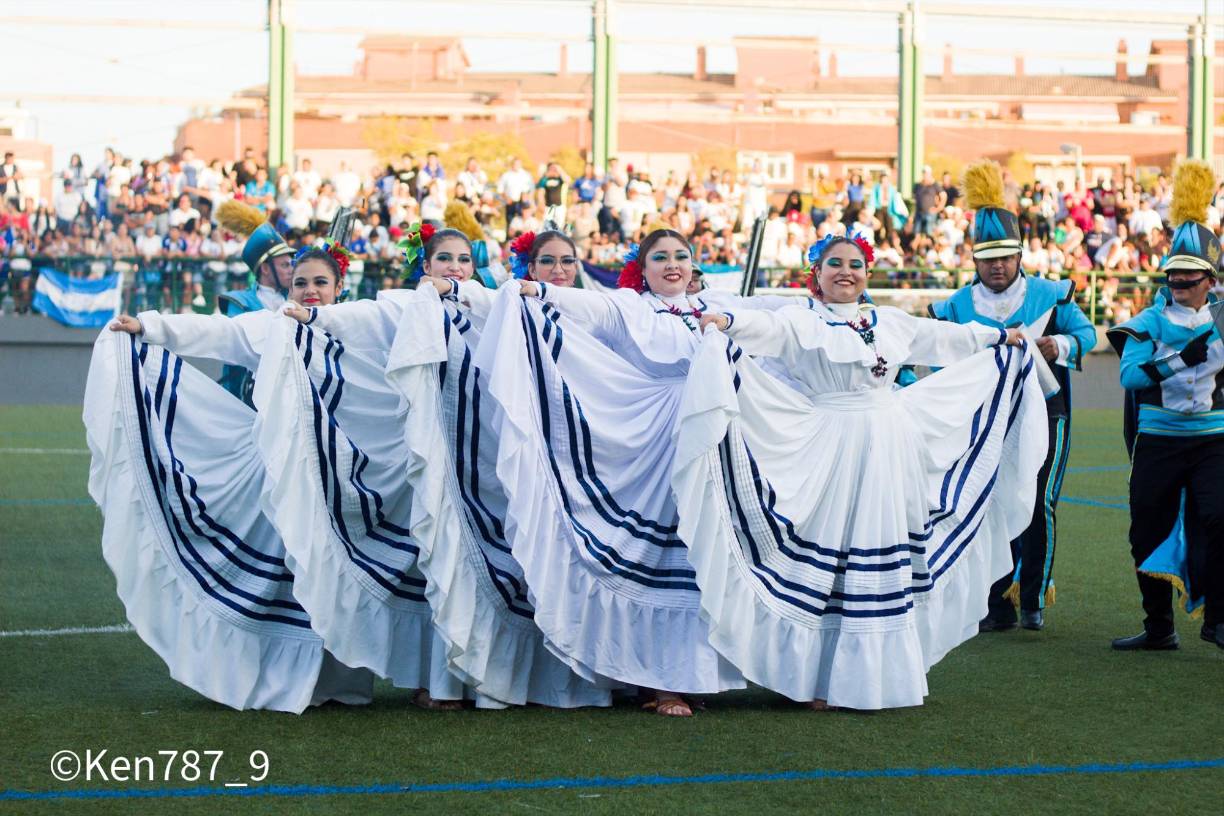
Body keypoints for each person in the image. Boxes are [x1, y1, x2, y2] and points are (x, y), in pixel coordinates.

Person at [689, 231, 1043, 709]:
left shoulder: (888, 320)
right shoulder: (801, 319)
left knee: (875, 548)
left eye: (855, 264)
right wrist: (726, 321)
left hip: (889, 445)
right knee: (829, 552)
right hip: (829, 444)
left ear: (868, 274)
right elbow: (764, 328)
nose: (845, 272)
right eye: (834, 264)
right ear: (816, 274)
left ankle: (872, 677)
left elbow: (944, 338)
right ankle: (815, 679)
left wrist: (1001, 337)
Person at [284, 225, 610, 710]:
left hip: (493, 459)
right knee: (443, 562)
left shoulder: (493, 304)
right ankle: (445, 681)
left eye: (462, 259)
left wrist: (459, 291)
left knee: (509, 562)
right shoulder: (410, 305)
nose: (453, 266)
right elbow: (362, 317)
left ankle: (516, 678)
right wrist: (312, 314)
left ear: (473, 268)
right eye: (444, 259)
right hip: (440, 459)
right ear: (426, 265)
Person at [507, 227, 799, 716]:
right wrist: (537, 290)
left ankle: (697, 674)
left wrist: (819, 300)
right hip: (659, 439)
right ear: (642, 270)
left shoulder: (715, 304)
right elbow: (589, 306)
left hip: (715, 435)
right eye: (660, 257)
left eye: (681, 256)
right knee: (664, 557)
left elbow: (773, 312)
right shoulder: (632, 307)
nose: (672, 265)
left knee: (707, 553)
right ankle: (660, 683)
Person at [92, 244, 378, 713]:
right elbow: (218, 332)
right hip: (282, 472)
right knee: (290, 575)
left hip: (342, 476)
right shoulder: (272, 326)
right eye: (300, 282)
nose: (310, 291)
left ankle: (343, 682)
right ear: (288, 287)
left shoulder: (359, 328)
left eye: (320, 283)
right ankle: (284, 679)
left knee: (338, 574)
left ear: (339, 287)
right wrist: (149, 327)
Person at [929, 160, 1097, 632]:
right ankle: (994, 601)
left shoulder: (1051, 294)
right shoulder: (956, 306)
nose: (997, 265)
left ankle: (1033, 598)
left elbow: (1087, 334)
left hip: (1046, 411)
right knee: (986, 503)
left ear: (1020, 255)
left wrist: (1058, 344)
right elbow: (936, 356)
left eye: (1005, 256)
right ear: (973, 259)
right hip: (984, 419)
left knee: (1039, 502)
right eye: (988, 258)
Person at [1107, 159, 1224, 652]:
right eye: (1173, 275)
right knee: (1146, 531)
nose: (1178, 283)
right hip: (1157, 440)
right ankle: (1159, 627)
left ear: (1210, 279)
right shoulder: (1148, 321)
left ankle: (1218, 619)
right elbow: (1130, 376)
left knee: (1219, 520)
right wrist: (1178, 360)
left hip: (1213, 440)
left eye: (1189, 277)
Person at [213, 199, 296, 404]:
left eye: (291, 264)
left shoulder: (296, 297)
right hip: (249, 397)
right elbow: (239, 353)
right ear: (265, 269)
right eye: (285, 265)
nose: (291, 270)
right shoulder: (239, 303)